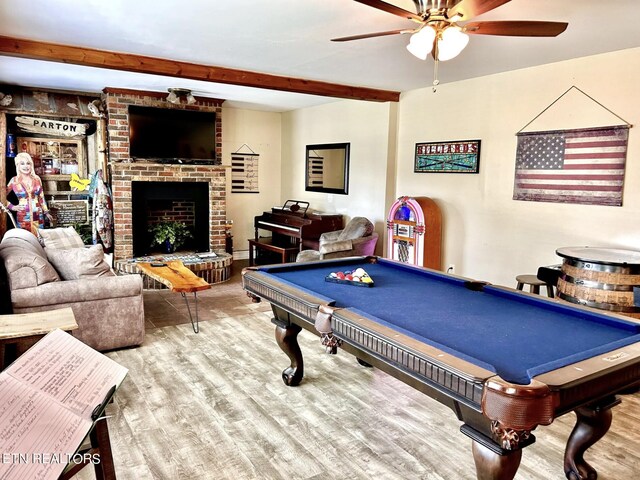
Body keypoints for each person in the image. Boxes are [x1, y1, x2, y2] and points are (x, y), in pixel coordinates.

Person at [6, 152, 52, 234]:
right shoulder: (14, 181)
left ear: (31, 165)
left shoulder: (37, 179)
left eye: (28, 163)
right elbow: (2, 196)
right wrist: (11, 206)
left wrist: (46, 212)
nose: (26, 166)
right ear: (18, 166)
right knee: (24, 239)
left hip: (38, 215)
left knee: (39, 238)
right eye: (22, 163)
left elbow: (41, 197)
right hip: (23, 216)